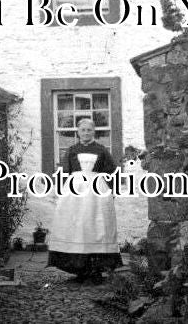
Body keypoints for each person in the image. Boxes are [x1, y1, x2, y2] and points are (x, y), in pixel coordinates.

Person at [46, 118, 123, 282]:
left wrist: (111, 191)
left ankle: (96, 268)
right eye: (83, 130)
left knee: (96, 226)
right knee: (77, 226)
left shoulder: (101, 150)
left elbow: (112, 171)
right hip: (75, 193)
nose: (86, 133)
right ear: (78, 132)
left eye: (89, 130)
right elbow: (64, 172)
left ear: (94, 131)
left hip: (97, 193)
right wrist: (61, 191)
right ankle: (79, 268)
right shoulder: (72, 150)